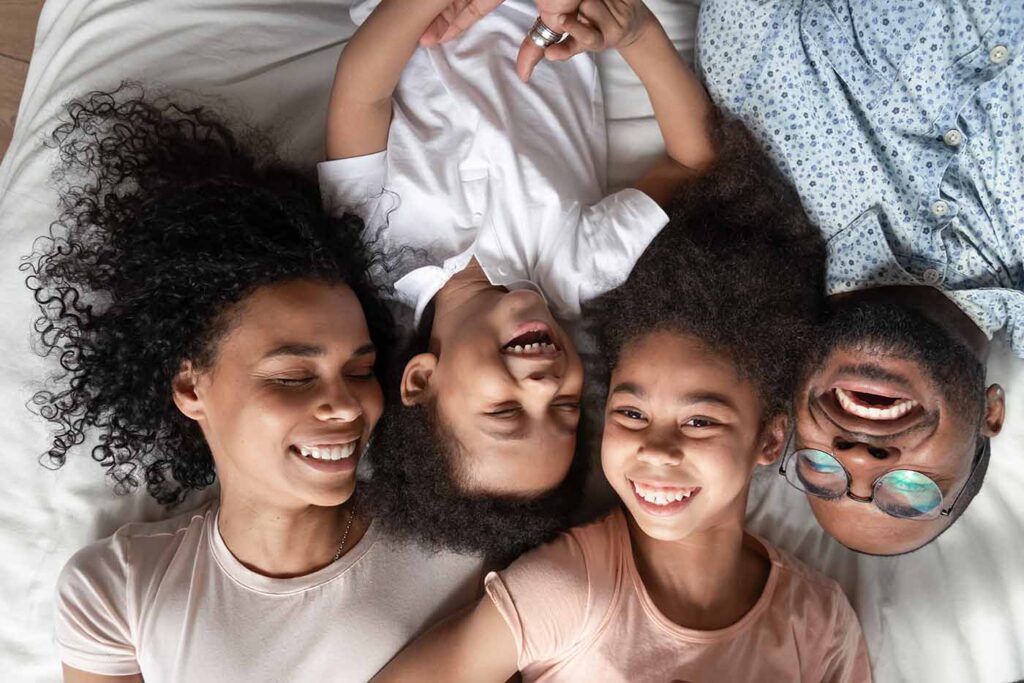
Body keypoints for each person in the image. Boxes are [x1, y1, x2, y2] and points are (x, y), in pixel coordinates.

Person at [373, 119, 870, 683]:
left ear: (771, 439)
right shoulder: (564, 593)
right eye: (631, 413)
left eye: (702, 420)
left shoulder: (818, 622)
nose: (656, 450)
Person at [31, 89, 483, 682]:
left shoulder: (464, 540)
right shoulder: (117, 591)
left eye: (358, 370)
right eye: (294, 375)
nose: (346, 404)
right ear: (191, 388)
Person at [322, 0, 714, 558]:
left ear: (419, 381)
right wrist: (637, 33)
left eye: (506, 412)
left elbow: (363, 88)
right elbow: (692, 160)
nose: (546, 384)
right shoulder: (580, 272)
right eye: (567, 408)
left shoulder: (372, 253)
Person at [696, 0, 1019, 555]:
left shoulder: (754, 86)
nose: (862, 461)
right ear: (990, 414)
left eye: (822, 473)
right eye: (912, 492)